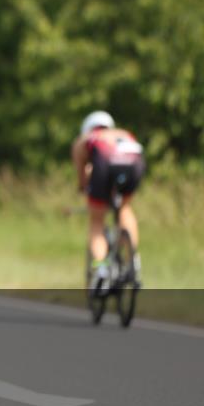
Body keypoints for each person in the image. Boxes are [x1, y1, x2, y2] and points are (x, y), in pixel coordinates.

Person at [71, 111, 145, 291]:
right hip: (134, 162)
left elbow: (82, 175)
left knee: (97, 220)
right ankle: (133, 261)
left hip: (105, 164)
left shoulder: (85, 139)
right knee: (125, 209)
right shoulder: (122, 133)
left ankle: (101, 269)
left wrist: (84, 187)